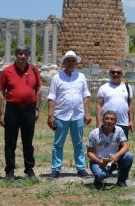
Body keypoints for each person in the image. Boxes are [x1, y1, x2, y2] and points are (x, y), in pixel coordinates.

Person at [0, 45, 41, 180]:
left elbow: (38, 89)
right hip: (12, 109)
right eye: (20, 54)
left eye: (25, 54)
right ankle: (10, 170)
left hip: (29, 109)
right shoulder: (7, 71)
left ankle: (29, 169)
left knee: (28, 141)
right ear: (15, 55)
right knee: (10, 141)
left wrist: (37, 108)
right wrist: (1, 113)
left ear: (28, 55)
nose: (22, 56)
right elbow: (1, 92)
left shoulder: (34, 70)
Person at [47, 50, 92, 179]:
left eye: (73, 60)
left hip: (77, 114)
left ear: (76, 62)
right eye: (68, 60)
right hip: (61, 114)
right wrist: (51, 115)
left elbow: (86, 96)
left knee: (78, 143)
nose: (71, 63)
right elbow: (52, 97)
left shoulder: (81, 77)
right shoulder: (57, 77)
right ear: (64, 62)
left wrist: (87, 112)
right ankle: (56, 169)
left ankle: (81, 168)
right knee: (58, 143)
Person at [86, 110, 134, 189]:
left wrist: (116, 156)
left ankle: (121, 181)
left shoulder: (119, 130)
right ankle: (99, 178)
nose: (109, 121)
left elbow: (125, 146)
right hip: (98, 161)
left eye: (112, 119)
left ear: (115, 121)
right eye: (107, 118)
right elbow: (89, 152)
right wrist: (99, 161)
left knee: (129, 156)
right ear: (102, 120)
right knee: (101, 175)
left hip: (114, 160)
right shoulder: (94, 133)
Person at [96, 63, 135, 139]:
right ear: (110, 74)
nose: (115, 74)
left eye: (118, 72)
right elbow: (99, 105)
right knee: (106, 146)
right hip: (108, 122)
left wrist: (131, 120)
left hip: (123, 122)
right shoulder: (103, 88)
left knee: (122, 146)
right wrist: (99, 122)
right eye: (113, 72)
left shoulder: (127, 87)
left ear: (122, 74)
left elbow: (130, 105)